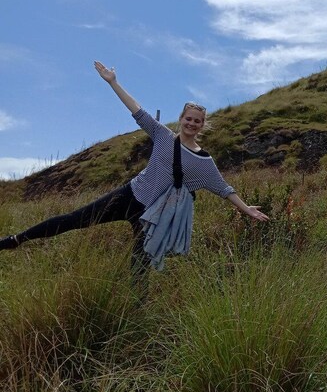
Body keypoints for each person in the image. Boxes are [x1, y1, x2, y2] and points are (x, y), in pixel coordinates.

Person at [0, 61, 269, 293]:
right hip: (128, 195)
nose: (191, 123)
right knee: (73, 220)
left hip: (150, 215)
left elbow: (223, 188)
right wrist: (113, 82)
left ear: (202, 125)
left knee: (139, 266)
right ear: (181, 119)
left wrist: (246, 209)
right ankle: (16, 239)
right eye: (188, 118)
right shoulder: (163, 135)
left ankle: (133, 313)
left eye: (197, 121)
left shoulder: (203, 161)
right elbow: (137, 111)